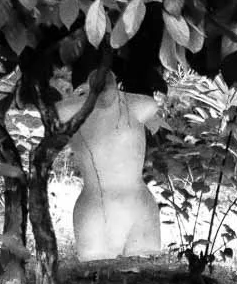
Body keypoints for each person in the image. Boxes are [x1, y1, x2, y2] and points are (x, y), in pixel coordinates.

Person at [56, 75, 162, 261]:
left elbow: (152, 104)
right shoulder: (71, 110)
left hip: (137, 205)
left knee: (141, 271)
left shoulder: (137, 106)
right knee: (97, 269)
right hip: (94, 209)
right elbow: (56, 110)